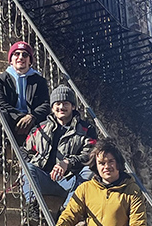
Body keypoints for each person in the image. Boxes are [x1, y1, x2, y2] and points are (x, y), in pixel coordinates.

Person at [21, 85, 96, 214]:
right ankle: (32, 210)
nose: (61, 107)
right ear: (52, 107)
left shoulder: (86, 129)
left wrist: (68, 162)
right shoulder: (40, 129)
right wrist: (32, 161)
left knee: (90, 170)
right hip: (43, 178)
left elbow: (91, 154)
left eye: (66, 103)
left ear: (73, 106)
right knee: (27, 167)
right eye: (58, 103)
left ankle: (67, 210)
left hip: (70, 181)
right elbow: (24, 150)